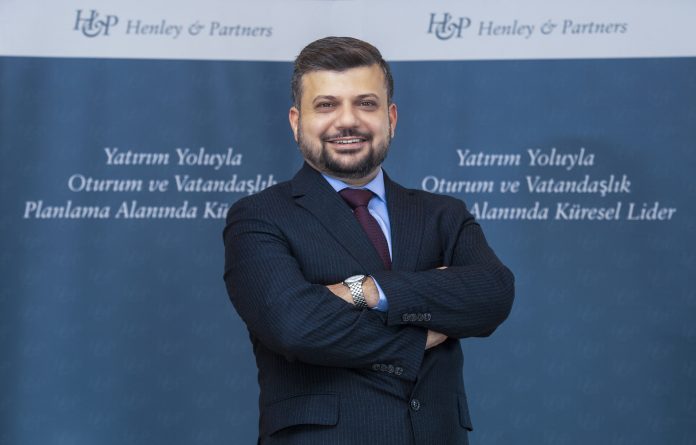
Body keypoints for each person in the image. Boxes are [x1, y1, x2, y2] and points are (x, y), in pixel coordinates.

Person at [223, 36, 514, 445]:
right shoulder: (260, 216)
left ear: (390, 117)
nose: (348, 121)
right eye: (327, 105)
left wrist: (369, 290)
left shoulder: (443, 214)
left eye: (366, 103)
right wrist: (422, 330)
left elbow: (493, 293)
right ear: (295, 121)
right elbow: (295, 326)